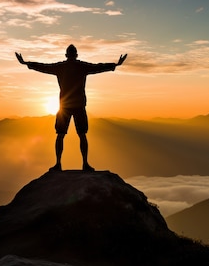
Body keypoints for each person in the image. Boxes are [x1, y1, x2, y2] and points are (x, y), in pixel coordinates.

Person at [15, 44, 127, 172]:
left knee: (60, 134)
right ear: (76, 55)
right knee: (82, 135)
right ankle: (85, 164)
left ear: (66, 55)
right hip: (79, 105)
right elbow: (98, 67)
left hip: (65, 106)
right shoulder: (82, 66)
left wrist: (26, 63)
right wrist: (115, 65)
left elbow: (44, 67)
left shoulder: (60, 67)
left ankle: (58, 164)